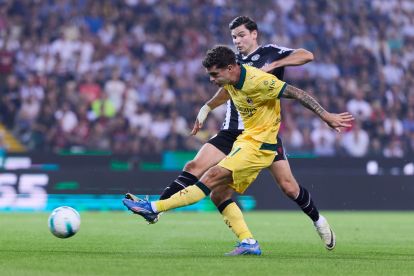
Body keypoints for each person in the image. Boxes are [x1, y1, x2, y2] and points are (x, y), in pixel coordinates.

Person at [127, 16, 335, 251]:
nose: (237, 40)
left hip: (262, 132)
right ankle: (157, 209)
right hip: (233, 130)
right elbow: (227, 89)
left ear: (254, 34)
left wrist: (274, 65)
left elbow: (307, 55)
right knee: (195, 167)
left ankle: (319, 221)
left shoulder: (270, 53)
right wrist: (207, 108)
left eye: (242, 35)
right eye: (234, 36)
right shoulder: (232, 62)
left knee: (288, 187)